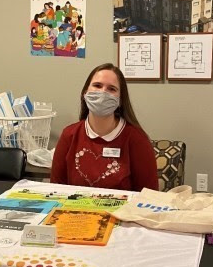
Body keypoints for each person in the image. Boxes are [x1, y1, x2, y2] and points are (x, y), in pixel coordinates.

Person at [50, 63, 159, 191]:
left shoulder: (137, 139)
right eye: (97, 85)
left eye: (112, 89)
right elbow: (55, 189)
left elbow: (149, 195)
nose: (103, 93)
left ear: (120, 100)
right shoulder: (69, 135)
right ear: (85, 93)